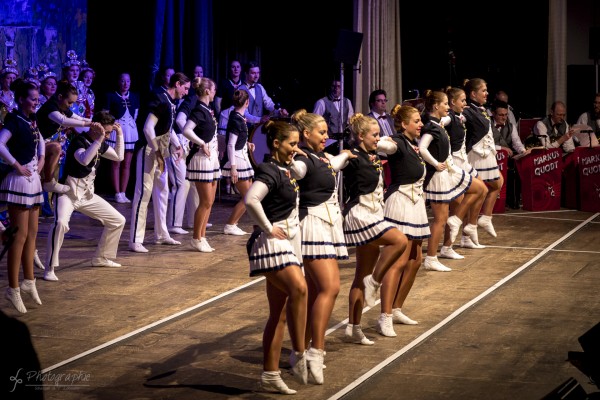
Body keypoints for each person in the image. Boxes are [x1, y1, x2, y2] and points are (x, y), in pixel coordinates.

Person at [244, 120, 308, 394]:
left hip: (286, 241)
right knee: (300, 289)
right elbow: (250, 200)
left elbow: (302, 172)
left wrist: (298, 155)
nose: (296, 148)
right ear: (276, 144)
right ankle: (301, 353)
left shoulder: (285, 168)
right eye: (292, 144)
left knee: (278, 313)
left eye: (297, 143)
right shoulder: (269, 171)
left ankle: (270, 373)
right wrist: (269, 227)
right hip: (270, 243)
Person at [290, 109, 354, 384]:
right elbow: (291, 169)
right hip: (312, 224)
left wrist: (349, 154)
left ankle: (299, 352)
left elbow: (336, 162)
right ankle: (317, 351)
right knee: (331, 287)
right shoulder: (302, 160)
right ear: (306, 134)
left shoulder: (323, 157)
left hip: (327, 225)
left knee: (317, 291)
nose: (327, 137)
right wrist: (288, 157)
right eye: (322, 133)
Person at [342, 113, 407, 342]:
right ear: (360, 136)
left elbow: (390, 146)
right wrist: (342, 156)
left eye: (379, 134)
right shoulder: (352, 155)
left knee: (361, 273)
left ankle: (353, 327)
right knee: (399, 241)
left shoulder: (372, 153)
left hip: (374, 213)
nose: (378, 138)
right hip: (359, 213)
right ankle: (375, 283)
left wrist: (381, 140)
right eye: (374, 134)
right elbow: (336, 161)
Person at [44, 111, 125, 281]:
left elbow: (119, 156)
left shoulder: (100, 143)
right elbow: (84, 160)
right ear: (96, 128)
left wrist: (120, 135)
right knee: (60, 224)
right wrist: (100, 139)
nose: (107, 135)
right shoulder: (79, 141)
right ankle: (49, 268)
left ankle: (101, 257)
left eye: (109, 132)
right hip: (68, 193)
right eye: (106, 131)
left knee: (118, 220)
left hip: (86, 196)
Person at [379, 104, 431, 334]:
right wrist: (385, 140)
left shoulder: (411, 144)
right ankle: (385, 315)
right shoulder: (398, 142)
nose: (421, 124)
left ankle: (397, 308)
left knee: (416, 259)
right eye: (417, 121)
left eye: (421, 121)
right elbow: (383, 147)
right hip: (400, 202)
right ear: (403, 124)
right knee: (398, 261)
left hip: (416, 203)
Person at [128, 72, 190, 253]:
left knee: (162, 192)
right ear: (177, 84)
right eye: (185, 88)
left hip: (160, 152)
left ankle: (162, 233)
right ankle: (135, 239)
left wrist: (177, 146)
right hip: (149, 150)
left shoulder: (170, 102)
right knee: (143, 193)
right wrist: (156, 151)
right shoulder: (160, 98)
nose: (186, 93)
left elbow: (168, 128)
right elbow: (148, 128)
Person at [0, 79, 44, 313]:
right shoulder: (14, 120)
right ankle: (12, 288)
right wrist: (16, 164)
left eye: (37, 98)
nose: (36, 102)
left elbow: (41, 141)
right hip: (19, 180)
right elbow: (0, 144)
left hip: (33, 179)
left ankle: (29, 281)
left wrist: (43, 156)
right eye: (33, 99)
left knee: (32, 235)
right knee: (19, 236)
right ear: (20, 100)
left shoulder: (30, 120)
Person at [419, 90, 472, 272]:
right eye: (445, 104)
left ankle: (446, 248)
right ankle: (431, 257)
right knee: (440, 220)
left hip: (446, 173)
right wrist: (436, 164)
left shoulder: (437, 124)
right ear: (436, 106)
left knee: (459, 203)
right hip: (437, 177)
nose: (448, 107)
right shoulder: (432, 126)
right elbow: (422, 148)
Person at [443, 87, 489, 251]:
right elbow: (441, 123)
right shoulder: (449, 117)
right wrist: (438, 123)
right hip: (454, 162)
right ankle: (447, 246)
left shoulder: (459, 116)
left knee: (482, 189)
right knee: (458, 204)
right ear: (452, 102)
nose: (465, 103)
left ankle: (468, 231)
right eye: (462, 101)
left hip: (464, 161)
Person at [462, 78, 504, 239]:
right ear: (473, 93)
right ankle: (477, 223)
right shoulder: (467, 110)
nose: (487, 93)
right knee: (481, 190)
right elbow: (459, 118)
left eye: (486, 90)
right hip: (476, 155)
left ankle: (478, 224)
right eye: (483, 91)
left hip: (486, 153)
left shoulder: (481, 109)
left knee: (493, 184)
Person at [182, 77, 220, 252]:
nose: (214, 93)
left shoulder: (207, 109)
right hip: (201, 159)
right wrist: (201, 143)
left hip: (211, 159)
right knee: (205, 201)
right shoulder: (199, 110)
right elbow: (187, 129)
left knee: (210, 201)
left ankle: (202, 236)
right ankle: (196, 238)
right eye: (213, 90)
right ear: (207, 91)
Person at [36, 80, 93, 194]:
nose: (71, 106)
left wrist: (94, 122)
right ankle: (49, 182)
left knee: (57, 149)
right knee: (56, 147)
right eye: (70, 102)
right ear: (60, 97)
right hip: (37, 145)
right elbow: (64, 121)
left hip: (45, 143)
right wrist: (87, 124)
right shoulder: (51, 107)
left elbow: (78, 118)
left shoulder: (61, 106)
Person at [103, 72, 140, 204]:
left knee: (127, 164)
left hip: (130, 131)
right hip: (116, 132)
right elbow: (105, 115)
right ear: (118, 82)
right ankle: (117, 192)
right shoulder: (111, 96)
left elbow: (136, 114)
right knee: (116, 162)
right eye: (123, 81)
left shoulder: (135, 97)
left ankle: (124, 192)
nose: (125, 84)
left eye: (128, 81)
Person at [220, 89, 253, 235]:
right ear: (247, 102)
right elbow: (230, 144)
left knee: (250, 196)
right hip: (237, 160)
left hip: (242, 157)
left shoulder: (237, 116)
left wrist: (247, 144)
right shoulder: (235, 119)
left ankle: (234, 223)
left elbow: (237, 141)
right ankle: (230, 224)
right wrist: (233, 167)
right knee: (248, 197)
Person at [490, 100, 528, 209]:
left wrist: (523, 151)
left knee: (516, 169)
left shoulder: (511, 126)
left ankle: (513, 201)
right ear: (493, 113)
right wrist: (501, 148)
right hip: (490, 159)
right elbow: (484, 145)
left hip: (506, 161)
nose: (504, 118)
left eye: (506, 115)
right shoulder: (487, 125)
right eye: (501, 115)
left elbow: (517, 143)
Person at [238, 60, 288, 131]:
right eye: (253, 73)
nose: (256, 76)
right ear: (246, 74)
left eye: (258, 73)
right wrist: (259, 119)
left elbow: (269, 104)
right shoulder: (240, 90)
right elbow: (243, 113)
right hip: (245, 129)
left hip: (259, 128)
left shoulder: (260, 87)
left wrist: (279, 111)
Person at [313, 79, 354, 153]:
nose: (336, 89)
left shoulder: (347, 102)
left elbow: (350, 121)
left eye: (339, 86)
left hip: (343, 141)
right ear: (330, 87)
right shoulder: (321, 102)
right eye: (333, 86)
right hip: (328, 141)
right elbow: (314, 123)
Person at [0, 57, 19, 126]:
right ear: (2, 80)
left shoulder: (18, 96)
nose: (12, 81)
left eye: (14, 78)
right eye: (8, 78)